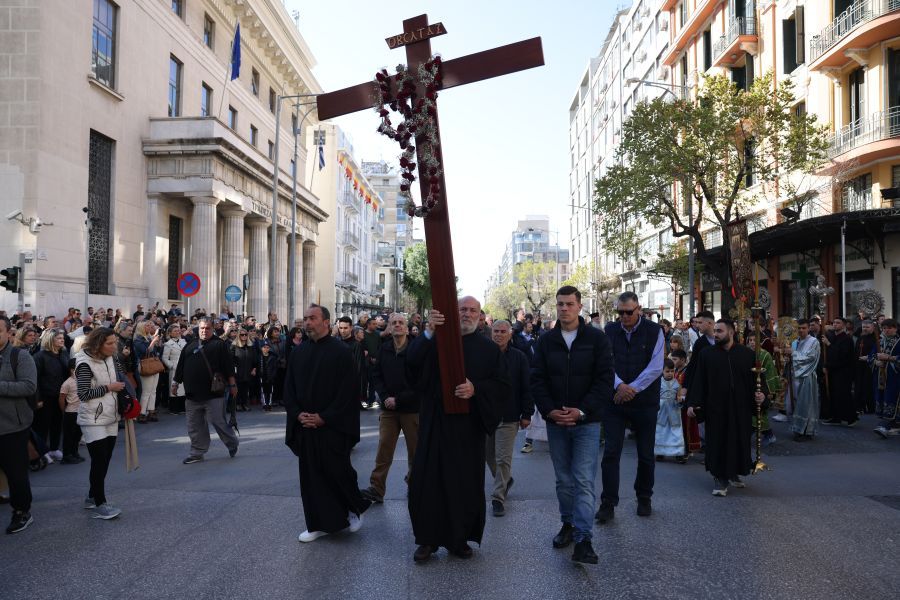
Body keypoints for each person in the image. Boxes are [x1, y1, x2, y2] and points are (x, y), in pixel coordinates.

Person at [407, 296, 508, 562]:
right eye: (462, 309)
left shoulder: (489, 349)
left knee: (463, 484)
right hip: (435, 423)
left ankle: (459, 539)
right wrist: (428, 331)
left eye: (472, 310)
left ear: (480, 314)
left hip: (468, 428)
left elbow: (499, 386)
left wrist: (476, 389)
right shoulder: (436, 341)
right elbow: (412, 365)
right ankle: (427, 540)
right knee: (428, 481)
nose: (467, 314)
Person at [531, 286, 614, 565]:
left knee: (583, 480)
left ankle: (583, 539)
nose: (564, 309)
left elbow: (604, 380)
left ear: (580, 306)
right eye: (560, 304)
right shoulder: (546, 341)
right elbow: (537, 379)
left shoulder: (597, 339)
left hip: (587, 422)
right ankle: (567, 524)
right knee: (564, 481)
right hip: (556, 422)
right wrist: (550, 410)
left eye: (569, 304)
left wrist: (581, 410)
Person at [283, 304, 370, 543]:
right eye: (305, 318)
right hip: (305, 426)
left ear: (325, 322)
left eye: (312, 318)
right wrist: (298, 414)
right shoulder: (298, 352)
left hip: (332, 426)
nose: (307, 323)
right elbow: (289, 387)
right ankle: (319, 524)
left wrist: (324, 417)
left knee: (337, 471)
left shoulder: (341, 352)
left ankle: (354, 509)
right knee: (311, 478)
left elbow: (347, 392)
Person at [598, 291, 665, 524]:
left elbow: (656, 367)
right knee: (610, 453)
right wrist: (619, 386)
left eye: (629, 312)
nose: (624, 316)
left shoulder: (655, 331)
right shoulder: (609, 331)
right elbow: (605, 363)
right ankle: (608, 502)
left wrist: (631, 389)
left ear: (639, 309)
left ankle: (644, 497)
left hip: (644, 401)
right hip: (615, 400)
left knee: (646, 454)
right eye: (620, 312)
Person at [686, 319, 767, 496]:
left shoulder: (746, 354)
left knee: (739, 439)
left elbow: (757, 380)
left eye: (720, 331)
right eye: (715, 331)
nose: (715, 334)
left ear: (731, 332)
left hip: (741, 406)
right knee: (718, 441)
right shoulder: (707, 354)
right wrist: (693, 403)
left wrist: (761, 395)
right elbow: (699, 380)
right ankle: (720, 478)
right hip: (716, 407)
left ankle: (734, 472)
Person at [361, 313, 419, 504]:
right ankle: (376, 488)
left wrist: (399, 399)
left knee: (415, 451)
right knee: (384, 450)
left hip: (411, 410)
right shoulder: (384, 348)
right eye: (393, 323)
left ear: (407, 326)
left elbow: (420, 382)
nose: (397, 325)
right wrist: (385, 397)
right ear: (389, 327)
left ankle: (415, 485)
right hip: (388, 410)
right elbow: (376, 376)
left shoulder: (416, 348)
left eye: (401, 322)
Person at [172, 318, 239, 464]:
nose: (204, 331)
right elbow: (181, 365)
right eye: (202, 328)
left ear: (213, 329)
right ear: (198, 329)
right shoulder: (190, 344)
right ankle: (197, 453)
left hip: (213, 393)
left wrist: (233, 385)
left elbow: (228, 366)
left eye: (207, 328)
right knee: (194, 426)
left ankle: (232, 442)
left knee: (218, 422)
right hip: (192, 395)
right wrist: (175, 383)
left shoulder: (219, 345)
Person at [74, 328, 125, 519]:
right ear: (97, 344)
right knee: (99, 460)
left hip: (111, 415)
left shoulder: (112, 357)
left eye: (115, 342)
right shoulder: (85, 363)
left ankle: (91, 495)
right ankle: (100, 503)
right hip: (92, 419)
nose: (114, 346)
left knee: (106, 459)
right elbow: (83, 394)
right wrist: (108, 388)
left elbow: (121, 378)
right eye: (109, 343)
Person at [486, 319, 533, 517]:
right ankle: (506, 480)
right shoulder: (483, 355)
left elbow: (526, 386)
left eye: (503, 331)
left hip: (510, 415)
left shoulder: (519, 357)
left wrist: (527, 413)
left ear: (510, 334)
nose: (499, 334)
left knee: (503, 457)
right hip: (487, 416)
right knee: (489, 457)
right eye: (495, 331)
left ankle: (498, 498)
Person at [0, 315, 38, 534]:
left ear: (9, 333)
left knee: (16, 473)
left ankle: (22, 511)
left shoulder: (19, 356)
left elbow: (28, 386)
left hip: (13, 426)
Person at [32, 329, 70, 460]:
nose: (62, 340)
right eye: (59, 338)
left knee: (57, 423)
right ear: (50, 340)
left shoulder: (63, 353)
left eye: (62, 337)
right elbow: (34, 379)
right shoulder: (40, 356)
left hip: (60, 396)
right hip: (45, 396)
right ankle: (42, 451)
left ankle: (54, 448)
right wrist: (37, 399)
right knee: (43, 425)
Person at [787, 319, 820, 441]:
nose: (801, 330)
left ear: (808, 329)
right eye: (799, 328)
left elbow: (811, 358)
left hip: (807, 377)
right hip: (795, 376)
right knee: (796, 403)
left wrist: (794, 354)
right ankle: (797, 428)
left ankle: (806, 430)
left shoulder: (814, 342)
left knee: (806, 404)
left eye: (803, 328)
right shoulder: (794, 342)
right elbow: (792, 359)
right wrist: (788, 358)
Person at [747, 332, 781, 447]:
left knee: (760, 412)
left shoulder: (765, 355)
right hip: (750, 387)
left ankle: (768, 434)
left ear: (760, 342)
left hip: (762, 387)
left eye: (754, 340)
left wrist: (769, 391)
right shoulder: (747, 353)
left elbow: (770, 373)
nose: (751, 342)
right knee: (753, 412)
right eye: (750, 340)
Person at [821, 317, 856, 426]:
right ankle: (836, 417)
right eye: (834, 322)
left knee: (843, 395)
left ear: (844, 325)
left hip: (843, 372)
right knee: (833, 395)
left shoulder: (847, 339)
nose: (835, 325)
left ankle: (851, 418)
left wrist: (829, 344)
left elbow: (842, 355)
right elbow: (829, 355)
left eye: (838, 323)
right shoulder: (833, 337)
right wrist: (826, 366)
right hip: (833, 370)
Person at [871, 318, 899, 438]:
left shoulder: (898, 342)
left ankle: (885, 426)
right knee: (883, 399)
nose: (886, 330)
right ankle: (892, 424)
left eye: (889, 328)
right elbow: (872, 355)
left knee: (892, 400)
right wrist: (875, 361)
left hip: (895, 377)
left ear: (896, 328)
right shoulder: (880, 341)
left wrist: (889, 358)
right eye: (884, 328)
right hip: (881, 378)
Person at [670, 348, 699, 461]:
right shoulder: (675, 370)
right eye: (672, 359)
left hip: (685, 403)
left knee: (685, 429)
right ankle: (677, 450)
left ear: (682, 360)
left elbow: (689, 387)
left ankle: (685, 451)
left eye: (675, 359)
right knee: (677, 429)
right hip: (675, 404)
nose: (673, 361)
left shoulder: (688, 371)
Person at [133, 320, 163, 423]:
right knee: (146, 391)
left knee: (153, 391)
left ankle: (151, 411)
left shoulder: (148, 337)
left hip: (153, 364)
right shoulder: (138, 339)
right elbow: (145, 352)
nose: (150, 327)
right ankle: (142, 413)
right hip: (145, 365)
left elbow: (156, 351)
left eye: (150, 325)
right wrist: (153, 341)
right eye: (147, 326)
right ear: (141, 327)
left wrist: (156, 341)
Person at [654, 359, 684, 460]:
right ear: (662, 371)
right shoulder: (658, 383)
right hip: (661, 410)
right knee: (661, 432)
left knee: (675, 433)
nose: (670, 373)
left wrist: (680, 400)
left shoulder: (677, 383)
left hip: (674, 410)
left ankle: (678, 453)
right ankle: (660, 452)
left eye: (672, 371)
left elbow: (679, 397)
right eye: (667, 371)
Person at [337, 316, 368, 410]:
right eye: (341, 328)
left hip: (350, 386)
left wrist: (358, 390)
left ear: (351, 328)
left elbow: (359, 368)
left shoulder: (357, 345)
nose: (343, 331)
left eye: (345, 328)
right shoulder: (336, 343)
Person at [58, 359, 84, 464]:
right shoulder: (67, 383)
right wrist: (64, 410)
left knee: (78, 434)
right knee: (69, 435)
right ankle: (66, 455)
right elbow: (61, 398)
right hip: (71, 412)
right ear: (71, 370)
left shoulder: (83, 381)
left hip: (81, 411)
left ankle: (74, 452)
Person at [230, 328, 258, 413]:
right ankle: (237, 404)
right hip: (238, 371)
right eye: (242, 335)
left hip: (248, 370)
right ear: (239, 335)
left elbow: (255, 359)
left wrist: (254, 369)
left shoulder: (251, 346)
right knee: (238, 388)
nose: (244, 336)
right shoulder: (234, 346)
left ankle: (245, 404)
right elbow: (231, 359)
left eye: (246, 334)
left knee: (246, 389)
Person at [162, 324, 187, 415]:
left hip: (184, 366)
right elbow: (164, 358)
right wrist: (172, 366)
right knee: (174, 387)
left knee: (183, 388)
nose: (177, 332)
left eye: (178, 330)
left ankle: (182, 407)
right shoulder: (168, 344)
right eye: (175, 331)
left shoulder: (183, 341)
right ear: (170, 333)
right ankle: (174, 408)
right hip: (175, 367)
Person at [855, 319, 878, 415]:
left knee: (868, 387)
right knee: (859, 386)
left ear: (873, 327)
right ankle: (859, 406)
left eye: (867, 327)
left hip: (870, 366)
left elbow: (877, 352)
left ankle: (870, 407)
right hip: (859, 365)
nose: (865, 329)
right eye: (863, 327)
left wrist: (868, 358)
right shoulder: (860, 338)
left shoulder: (876, 339)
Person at [258, 342, 278, 411]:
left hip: (270, 376)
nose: (266, 349)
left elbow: (275, 368)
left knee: (270, 391)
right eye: (264, 347)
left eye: (267, 347)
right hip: (262, 376)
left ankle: (269, 404)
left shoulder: (272, 357)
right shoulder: (259, 357)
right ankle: (264, 404)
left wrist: (273, 375)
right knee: (263, 391)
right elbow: (257, 367)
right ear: (261, 348)